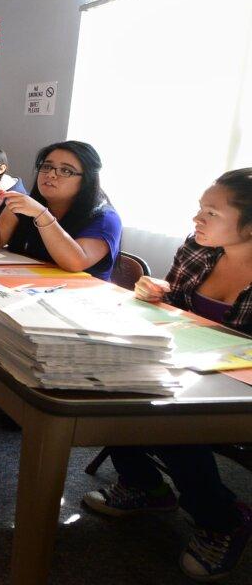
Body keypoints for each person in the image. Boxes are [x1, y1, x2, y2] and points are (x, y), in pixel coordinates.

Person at [83, 168, 252, 582]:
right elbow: (176, 307)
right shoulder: (198, 251)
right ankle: (144, 486)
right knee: (107, 380)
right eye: (199, 208)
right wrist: (157, 294)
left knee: (170, 419)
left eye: (211, 212)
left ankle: (223, 520)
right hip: (189, 366)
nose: (197, 219)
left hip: (238, 391)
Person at [0, 140, 122, 280]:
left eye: (66, 170)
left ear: (87, 180)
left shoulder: (105, 218)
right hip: (26, 286)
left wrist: (42, 214)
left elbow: (75, 262)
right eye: (46, 167)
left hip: (79, 296)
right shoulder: (24, 204)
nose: (51, 174)